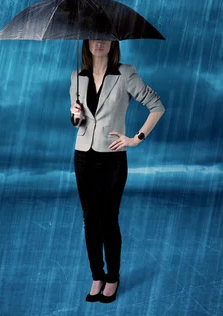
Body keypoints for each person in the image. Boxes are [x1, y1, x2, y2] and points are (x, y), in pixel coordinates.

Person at [69, 39, 166, 304]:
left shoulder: (125, 73)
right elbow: (79, 122)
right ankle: (97, 275)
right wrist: (75, 114)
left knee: (108, 219)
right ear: (86, 43)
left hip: (112, 159)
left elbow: (156, 105)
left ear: (113, 43)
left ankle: (113, 277)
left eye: (105, 37)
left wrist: (136, 138)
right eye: (93, 37)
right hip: (83, 157)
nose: (98, 42)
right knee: (90, 219)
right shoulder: (77, 76)